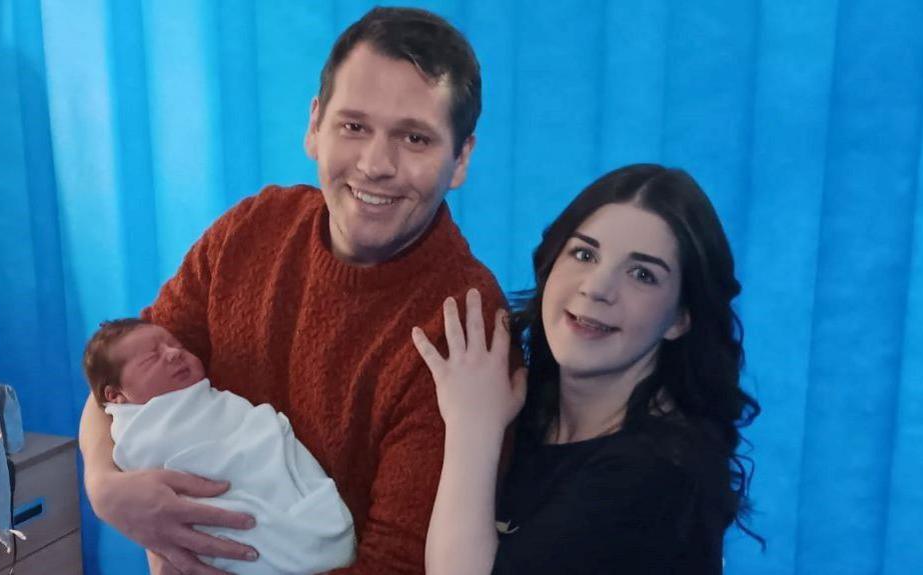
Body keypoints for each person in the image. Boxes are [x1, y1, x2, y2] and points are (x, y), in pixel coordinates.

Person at [78, 6, 506, 575]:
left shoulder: (464, 325)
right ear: (314, 126)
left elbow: (399, 566)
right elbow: (121, 373)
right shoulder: (251, 228)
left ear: (460, 160)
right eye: (354, 126)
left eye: (414, 137)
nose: (376, 164)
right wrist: (104, 485)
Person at [412, 164, 762, 574]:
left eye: (642, 274)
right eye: (584, 253)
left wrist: (472, 430)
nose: (596, 287)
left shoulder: (657, 475)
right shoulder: (521, 410)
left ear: (679, 318)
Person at [83, 318, 355, 575]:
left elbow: (259, 444)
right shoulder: (140, 429)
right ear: (116, 396)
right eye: (153, 358)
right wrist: (101, 483)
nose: (174, 353)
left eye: (178, 346)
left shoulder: (212, 401)